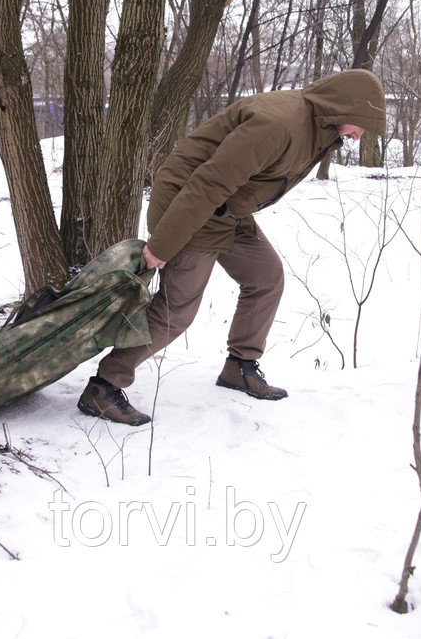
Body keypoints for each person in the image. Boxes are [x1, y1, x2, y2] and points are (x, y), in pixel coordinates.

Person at [78, 69, 387, 426]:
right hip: (191, 206)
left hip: (228, 211)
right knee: (177, 310)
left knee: (265, 277)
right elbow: (208, 182)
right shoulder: (280, 123)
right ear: (341, 106)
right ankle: (103, 387)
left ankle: (240, 366)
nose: (360, 134)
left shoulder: (320, 128)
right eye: (360, 124)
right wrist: (164, 244)